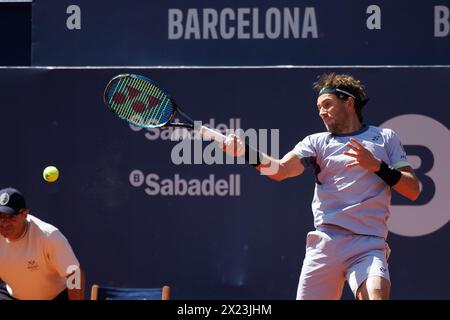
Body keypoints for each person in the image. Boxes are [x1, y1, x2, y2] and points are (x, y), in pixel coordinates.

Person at [221, 73, 420, 300]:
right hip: (326, 244)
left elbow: (413, 189)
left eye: (327, 104)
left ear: (349, 102)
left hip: (368, 244)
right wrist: (245, 151)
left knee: (376, 295)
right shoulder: (316, 142)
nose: (321, 112)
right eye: (318, 107)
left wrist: (378, 166)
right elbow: (280, 170)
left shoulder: (385, 138)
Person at [0, 187, 84, 300]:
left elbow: (74, 274)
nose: (4, 223)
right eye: (1, 216)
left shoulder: (49, 236)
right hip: (12, 295)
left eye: (11, 216)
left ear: (25, 214)